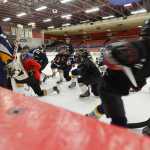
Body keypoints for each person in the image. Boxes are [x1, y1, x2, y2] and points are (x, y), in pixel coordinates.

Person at [87, 19, 150, 129]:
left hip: (121, 87)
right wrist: (118, 54)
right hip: (109, 89)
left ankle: (91, 116)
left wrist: (139, 81)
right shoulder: (139, 47)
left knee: (106, 107)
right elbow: (112, 53)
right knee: (119, 122)